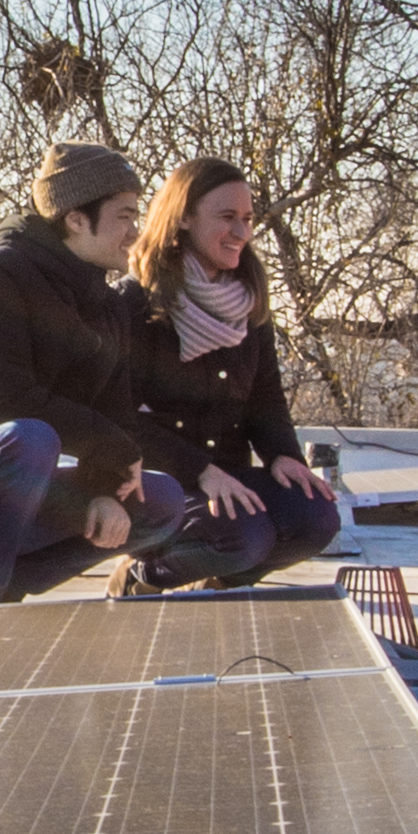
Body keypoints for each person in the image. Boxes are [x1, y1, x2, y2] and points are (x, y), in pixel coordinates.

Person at [0, 142, 200, 605]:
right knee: (30, 437)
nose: (134, 231)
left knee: (161, 502)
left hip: (6, 496)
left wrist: (105, 488)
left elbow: (116, 413)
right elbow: (5, 401)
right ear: (75, 218)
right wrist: (111, 446)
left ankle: (2, 586)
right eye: (124, 216)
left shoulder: (104, 303)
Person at [119, 154, 341, 587]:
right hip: (159, 485)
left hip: (227, 477)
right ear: (183, 218)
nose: (241, 232)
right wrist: (200, 470)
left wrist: (284, 455)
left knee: (315, 516)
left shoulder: (248, 302)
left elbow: (264, 395)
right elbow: (120, 418)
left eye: (248, 218)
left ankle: (217, 584)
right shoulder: (133, 305)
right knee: (244, 538)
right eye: (227, 217)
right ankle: (141, 576)